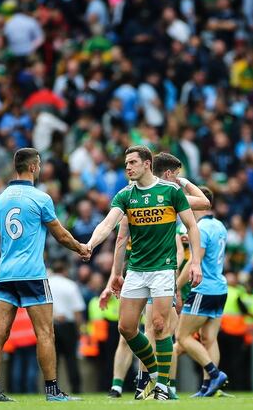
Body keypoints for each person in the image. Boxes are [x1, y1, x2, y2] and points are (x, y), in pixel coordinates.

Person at [85, 145, 203, 400]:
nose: (127, 167)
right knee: (126, 328)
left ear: (147, 164)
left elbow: (192, 226)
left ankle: (161, 385)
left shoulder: (170, 191)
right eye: (126, 163)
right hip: (136, 269)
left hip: (163, 268)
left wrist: (195, 263)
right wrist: (90, 245)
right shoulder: (126, 195)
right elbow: (108, 224)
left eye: (132, 162)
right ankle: (152, 372)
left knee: (159, 326)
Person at [0, 148, 91, 402]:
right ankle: (52, 391)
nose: (39, 168)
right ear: (32, 167)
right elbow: (60, 235)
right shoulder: (41, 198)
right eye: (38, 165)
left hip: (5, 275)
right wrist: (80, 248)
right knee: (45, 332)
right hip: (32, 274)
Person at [174, 186, 230, 397]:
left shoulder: (202, 229)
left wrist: (176, 287)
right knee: (209, 338)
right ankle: (209, 388)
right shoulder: (220, 226)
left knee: (182, 336)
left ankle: (214, 374)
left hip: (204, 289)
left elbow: (194, 262)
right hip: (220, 287)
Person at [47, 261, 86, 394]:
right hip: (68, 326)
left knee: (53, 359)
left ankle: (51, 388)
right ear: (64, 270)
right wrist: (80, 329)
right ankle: (76, 388)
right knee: (71, 360)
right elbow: (77, 310)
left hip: (50, 324)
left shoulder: (47, 283)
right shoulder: (71, 285)